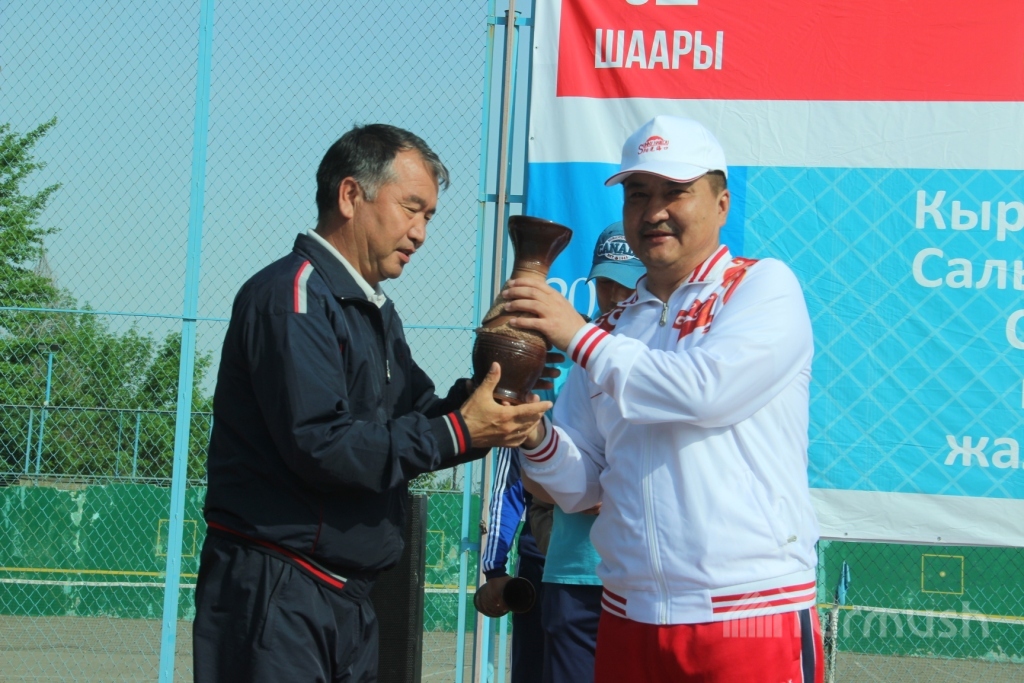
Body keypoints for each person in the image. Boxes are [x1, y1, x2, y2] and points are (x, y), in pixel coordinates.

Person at [193, 123, 551, 683]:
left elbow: (421, 418)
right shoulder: (293, 297)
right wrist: (461, 428)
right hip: (278, 589)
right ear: (350, 195)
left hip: (346, 596)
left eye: (429, 217)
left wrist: (492, 386)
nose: (420, 233)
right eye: (411, 208)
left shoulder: (373, 309)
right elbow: (321, 445)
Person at [502, 116, 824, 682]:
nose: (653, 212)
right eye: (638, 193)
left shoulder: (762, 287)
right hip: (628, 613)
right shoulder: (613, 328)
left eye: (675, 191)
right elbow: (581, 486)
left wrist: (576, 336)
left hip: (749, 609)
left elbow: (704, 392)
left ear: (721, 204)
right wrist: (532, 431)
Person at [479, 223, 645, 683]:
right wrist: (494, 566)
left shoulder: (668, 355)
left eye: (627, 284)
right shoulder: (561, 359)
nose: (615, 297)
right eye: (605, 283)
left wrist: (611, 490)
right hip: (570, 569)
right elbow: (522, 476)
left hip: (641, 578)